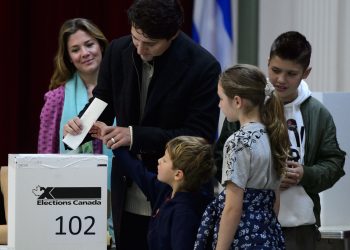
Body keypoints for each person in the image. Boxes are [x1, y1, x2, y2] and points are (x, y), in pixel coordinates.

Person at [63, 0, 221, 249]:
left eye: (150, 44)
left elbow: (199, 136)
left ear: (173, 35)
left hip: (178, 192)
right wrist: (80, 127)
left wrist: (135, 136)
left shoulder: (203, 66)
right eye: (136, 37)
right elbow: (103, 99)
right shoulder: (118, 50)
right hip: (128, 187)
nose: (139, 49)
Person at [214, 31, 346, 250]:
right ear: (267, 63)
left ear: (306, 72)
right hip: (248, 223)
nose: (281, 80)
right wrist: (262, 180)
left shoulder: (317, 113)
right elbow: (221, 159)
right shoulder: (245, 105)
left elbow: (334, 163)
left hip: (299, 227)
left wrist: (305, 173)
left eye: (291, 73)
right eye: (275, 70)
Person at [37, 18, 115, 246]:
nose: (85, 53)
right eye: (75, 49)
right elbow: (43, 159)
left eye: (89, 44)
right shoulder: (56, 100)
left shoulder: (126, 91)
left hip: (122, 201)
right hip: (67, 209)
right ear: (68, 57)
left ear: (101, 45)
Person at [195, 64, 289, 249]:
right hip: (268, 234)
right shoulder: (275, 135)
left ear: (237, 101)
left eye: (221, 98)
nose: (219, 104)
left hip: (242, 237)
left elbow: (232, 208)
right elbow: (275, 202)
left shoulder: (238, 141)